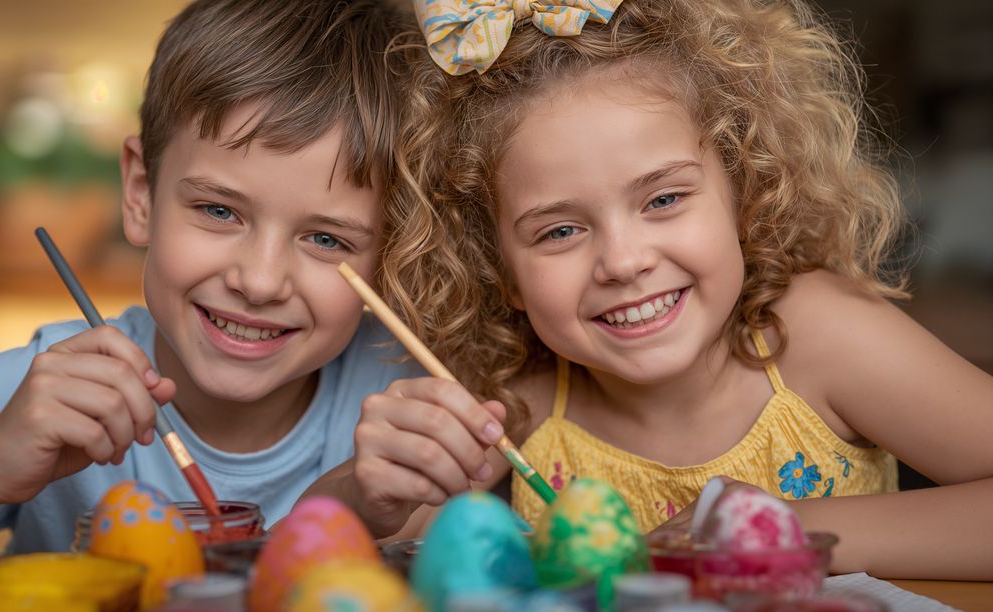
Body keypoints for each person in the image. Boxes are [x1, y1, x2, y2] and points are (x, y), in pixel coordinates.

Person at [312, 0, 993, 579]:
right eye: (560, 231)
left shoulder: (823, 337)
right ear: (499, 270)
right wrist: (364, 496)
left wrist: (775, 530)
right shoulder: (519, 403)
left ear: (744, 191)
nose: (623, 261)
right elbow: (328, 550)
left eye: (663, 199)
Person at [0, 0, 431, 553]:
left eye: (326, 239)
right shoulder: (52, 387)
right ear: (141, 194)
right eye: (218, 210)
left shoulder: (407, 399)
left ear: (393, 249)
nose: (259, 283)